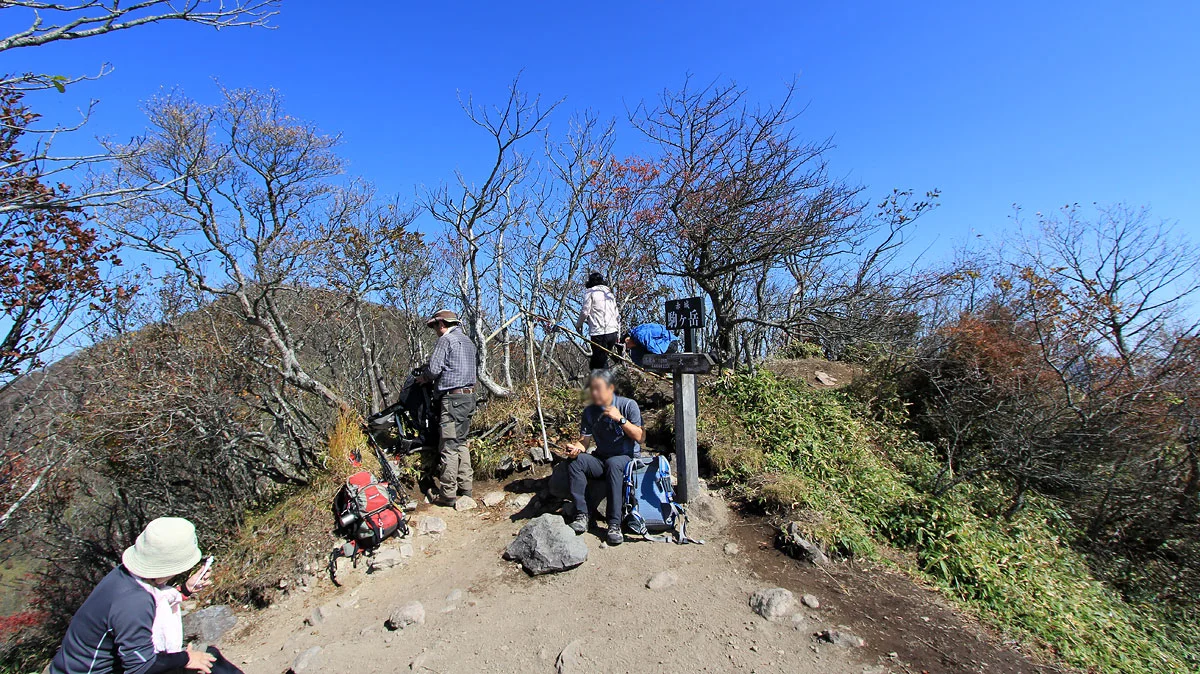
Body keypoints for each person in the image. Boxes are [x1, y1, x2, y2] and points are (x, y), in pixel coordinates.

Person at [50, 517, 241, 674]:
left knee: (210, 661)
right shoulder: (134, 601)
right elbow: (141, 666)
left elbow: (153, 598)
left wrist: (184, 590)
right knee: (211, 665)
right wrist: (186, 658)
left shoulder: (124, 577)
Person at [561, 370, 645, 546]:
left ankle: (614, 524)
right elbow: (584, 441)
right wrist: (575, 449)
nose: (594, 393)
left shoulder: (628, 405)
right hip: (601, 458)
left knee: (614, 464)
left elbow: (640, 436)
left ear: (610, 389)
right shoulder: (590, 412)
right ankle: (582, 514)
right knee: (576, 462)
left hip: (626, 457)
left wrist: (620, 419)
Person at [418, 309, 478, 507]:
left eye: (435, 326)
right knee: (461, 441)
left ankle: (448, 493)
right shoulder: (469, 342)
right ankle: (466, 488)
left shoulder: (446, 340)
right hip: (468, 398)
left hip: (452, 399)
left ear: (441, 324)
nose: (435, 330)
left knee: (449, 446)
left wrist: (423, 378)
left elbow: (434, 370)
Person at [575, 272, 621, 371]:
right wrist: (618, 333)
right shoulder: (609, 293)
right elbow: (617, 314)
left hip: (599, 333)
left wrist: (578, 325)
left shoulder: (590, 292)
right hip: (612, 332)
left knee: (599, 363)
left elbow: (585, 311)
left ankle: (605, 384)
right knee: (600, 360)